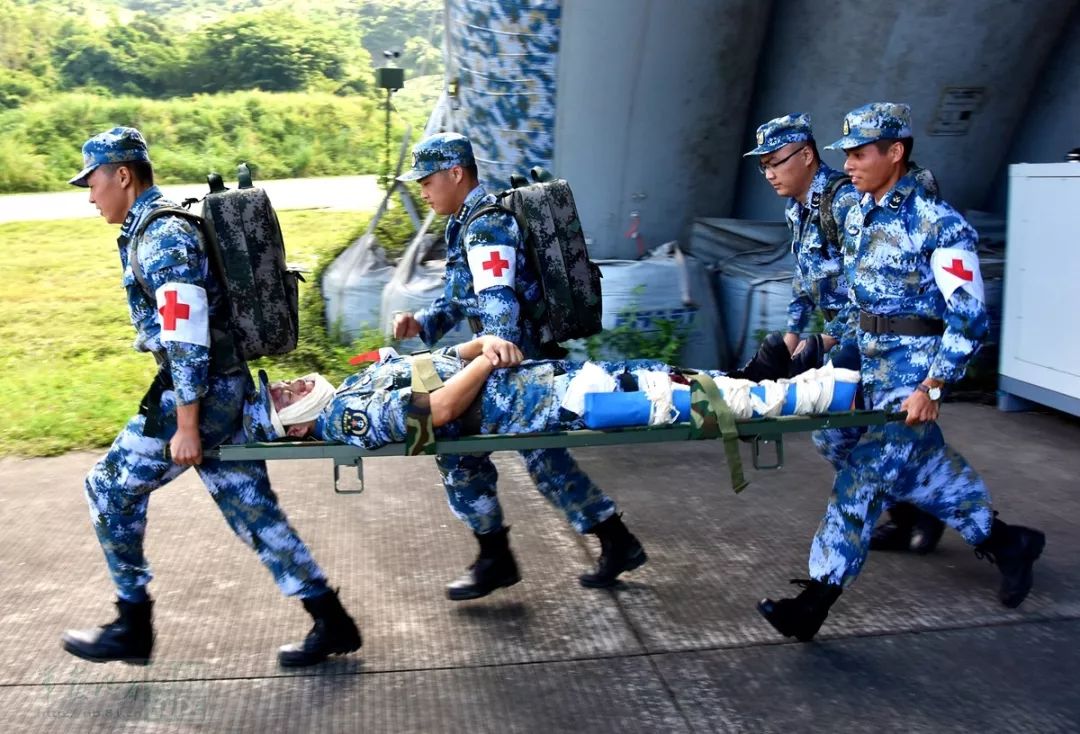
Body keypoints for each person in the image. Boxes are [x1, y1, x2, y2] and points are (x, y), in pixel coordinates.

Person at [60, 127, 361, 668]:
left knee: (107, 489)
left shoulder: (162, 237)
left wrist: (188, 424)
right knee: (252, 510)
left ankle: (132, 625)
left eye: (93, 182)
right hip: (220, 385)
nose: (90, 196)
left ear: (122, 176)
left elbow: (187, 335)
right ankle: (331, 620)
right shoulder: (153, 228)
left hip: (202, 391)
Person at [756, 103, 1046, 642]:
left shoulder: (939, 224)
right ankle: (1005, 541)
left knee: (863, 476)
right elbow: (841, 287)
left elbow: (969, 316)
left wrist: (932, 385)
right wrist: (825, 342)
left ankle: (813, 602)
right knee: (842, 441)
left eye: (861, 153)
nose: (851, 163)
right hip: (866, 361)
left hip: (911, 375)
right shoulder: (860, 213)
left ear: (896, 152)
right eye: (847, 153)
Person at [390, 132, 647, 599]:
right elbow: (460, 299)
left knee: (457, 446)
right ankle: (612, 542)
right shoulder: (461, 224)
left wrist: (496, 351)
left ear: (456, 173)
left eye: (426, 180)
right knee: (543, 459)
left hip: (517, 361)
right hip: (507, 354)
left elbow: (497, 297)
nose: (422, 191)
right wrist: (420, 324)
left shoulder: (487, 225)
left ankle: (497, 558)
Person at [744, 113, 947, 554]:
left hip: (881, 337)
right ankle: (915, 515)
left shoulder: (844, 201)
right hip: (851, 336)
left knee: (857, 433)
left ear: (806, 155)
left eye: (774, 161)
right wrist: (794, 334)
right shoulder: (797, 209)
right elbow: (805, 277)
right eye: (762, 165)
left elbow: (875, 282)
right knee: (851, 434)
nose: (769, 173)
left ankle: (962, 523)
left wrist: (833, 339)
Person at [244, 336, 861, 452]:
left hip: (550, 384)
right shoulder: (352, 415)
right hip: (550, 403)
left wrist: (477, 344)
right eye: (284, 398)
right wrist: (483, 362)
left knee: (673, 383)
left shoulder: (353, 383)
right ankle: (824, 390)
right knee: (676, 399)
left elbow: (432, 366)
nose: (293, 384)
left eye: (287, 381)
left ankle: (811, 376)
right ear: (294, 427)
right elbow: (439, 409)